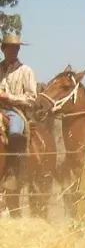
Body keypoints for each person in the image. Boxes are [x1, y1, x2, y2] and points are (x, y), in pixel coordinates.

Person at [0, 33, 37, 191]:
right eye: (11, 47)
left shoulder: (25, 71)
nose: (14, 50)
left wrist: (9, 97)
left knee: (15, 132)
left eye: (16, 48)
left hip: (15, 111)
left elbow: (32, 98)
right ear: (3, 49)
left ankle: (12, 172)